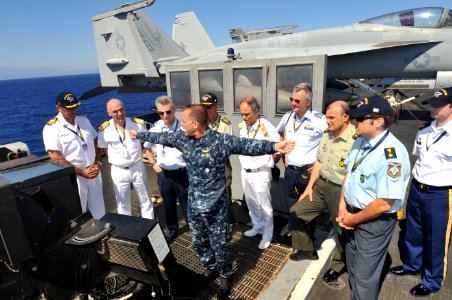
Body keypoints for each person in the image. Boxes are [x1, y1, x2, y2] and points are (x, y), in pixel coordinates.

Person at [129, 105, 294, 298]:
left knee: (220, 244)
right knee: (198, 241)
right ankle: (211, 266)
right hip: (194, 204)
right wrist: (140, 135)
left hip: (216, 206)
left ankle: (226, 276)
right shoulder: (183, 139)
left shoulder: (220, 141)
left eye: (184, 122)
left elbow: (246, 145)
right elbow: (161, 138)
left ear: (196, 123)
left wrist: (274, 146)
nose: (180, 125)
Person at [336, 96, 410, 300]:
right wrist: (343, 206)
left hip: (374, 221)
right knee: (352, 263)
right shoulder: (360, 141)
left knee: (364, 276)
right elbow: (349, 175)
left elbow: (384, 203)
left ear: (378, 122)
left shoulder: (392, 155)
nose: (354, 122)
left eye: (360, 119)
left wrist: (353, 218)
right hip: (351, 213)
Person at [389, 88, 452, 297]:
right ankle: (411, 265)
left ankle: (432, 280)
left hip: (441, 194)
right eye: (432, 103)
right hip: (417, 188)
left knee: (436, 238)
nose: (432, 107)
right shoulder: (424, 131)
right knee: (412, 231)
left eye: (438, 104)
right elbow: (419, 160)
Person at [289, 101, 355, 284]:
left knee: (340, 229)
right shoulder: (327, 135)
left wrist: (344, 199)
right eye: (327, 117)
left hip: (340, 190)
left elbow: (352, 172)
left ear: (345, 117)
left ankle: (339, 264)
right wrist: (310, 186)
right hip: (320, 186)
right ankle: (307, 249)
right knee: (297, 212)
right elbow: (318, 162)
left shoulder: (356, 139)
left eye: (332, 117)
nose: (328, 121)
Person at [43, 92, 105, 219]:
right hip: (75, 177)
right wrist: (81, 171)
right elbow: (55, 157)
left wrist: (97, 163)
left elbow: (95, 142)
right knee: (78, 215)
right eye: (69, 108)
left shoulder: (84, 120)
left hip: (94, 172)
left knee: (100, 212)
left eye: (75, 107)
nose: (73, 110)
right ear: (58, 107)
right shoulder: (52, 128)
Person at [275, 83, 326, 232]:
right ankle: (295, 235)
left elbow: (330, 140)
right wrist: (284, 154)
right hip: (291, 171)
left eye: (297, 101)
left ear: (307, 102)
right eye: (292, 99)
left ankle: (308, 240)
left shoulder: (319, 120)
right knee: (292, 206)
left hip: (308, 173)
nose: (292, 103)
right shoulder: (287, 117)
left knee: (307, 208)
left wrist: (320, 162)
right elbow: (280, 133)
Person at [97, 98, 154, 219]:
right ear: (109, 113)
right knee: (122, 203)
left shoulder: (137, 124)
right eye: (115, 111)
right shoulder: (104, 130)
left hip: (137, 166)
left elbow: (145, 143)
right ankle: (128, 231)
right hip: (118, 170)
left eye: (121, 109)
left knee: (145, 200)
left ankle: (150, 228)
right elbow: (104, 149)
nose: (119, 114)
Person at [238, 97, 280, 250]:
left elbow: (278, 146)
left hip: (261, 172)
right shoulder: (244, 127)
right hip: (246, 172)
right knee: (251, 202)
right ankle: (257, 225)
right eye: (242, 114)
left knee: (264, 204)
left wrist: (271, 163)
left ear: (257, 111)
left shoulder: (266, 127)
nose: (244, 117)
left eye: (247, 114)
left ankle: (267, 234)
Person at [144, 96, 188, 240]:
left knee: (187, 204)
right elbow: (147, 149)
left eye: (168, 112)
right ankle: (172, 230)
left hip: (182, 173)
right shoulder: (156, 129)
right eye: (161, 113)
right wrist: (153, 163)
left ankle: (194, 228)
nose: (164, 116)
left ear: (174, 110)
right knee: (168, 204)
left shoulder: (183, 128)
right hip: (164, 175)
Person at [200, 92, 236, 234]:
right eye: (204, 107)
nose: (206, 110)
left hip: (222, 168)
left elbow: (227, 148)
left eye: (209, 107)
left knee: (225, 198)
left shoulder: (225, 125)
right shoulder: (200, 124)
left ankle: (230, 223)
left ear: (217, 106)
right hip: (205, 169)